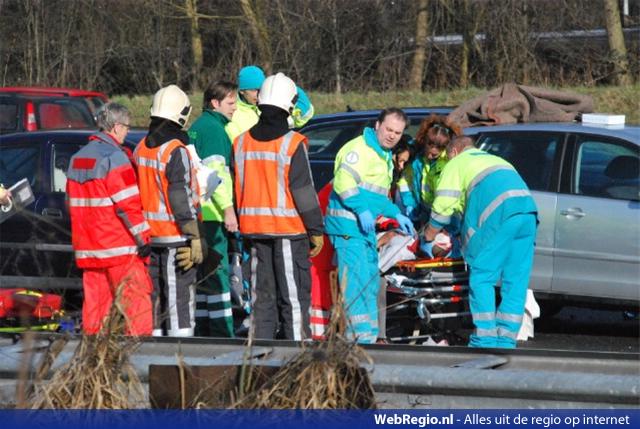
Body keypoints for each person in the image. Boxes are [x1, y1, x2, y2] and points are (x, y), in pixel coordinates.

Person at [424, 135, 538, 349]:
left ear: (454, 152)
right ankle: (505, 339)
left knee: (482, 277)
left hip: (502, 214)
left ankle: (484, 339)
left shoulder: (457, 163)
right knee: (515, 280)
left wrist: (429, 234)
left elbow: (443, 206)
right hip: (528, 214)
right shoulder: (497, 160)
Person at [234, 72, 324, 340]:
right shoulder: (291, 143)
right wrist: (315, 229)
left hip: (253, 233)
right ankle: (297, 362)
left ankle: (258, 363)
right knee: (294, 300)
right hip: (288, 232)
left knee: (262, 301)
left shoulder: (240, 142)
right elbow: (304, 192)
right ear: (289, 105)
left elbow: (235, 188)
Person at [324, 108, 414, 344]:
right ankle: (360, 340)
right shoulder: (360, 149)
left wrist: (395, 213)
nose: (392, 135)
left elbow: (376, 196)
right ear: (377, 125)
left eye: (398, 132)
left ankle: (368, 336)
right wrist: (362, 210)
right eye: (389, 129)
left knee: (369, 282)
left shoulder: (382, 155)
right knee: (356, 283)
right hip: (347, 226)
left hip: (362, 230)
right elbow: (344, 182)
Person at [66, 103, 153, 335]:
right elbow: (129, 206)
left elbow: (72, 204)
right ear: (115, 127)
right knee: (136, 304)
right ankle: (143, 358)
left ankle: (93, 361)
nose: (127, 132)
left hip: (88, 248)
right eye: (126, 127)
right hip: (119, 248)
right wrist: (144, 239)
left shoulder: (77, 159)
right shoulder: (115, 158)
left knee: (95, 309)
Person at [134, 85, 204, 337]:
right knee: (178, 299)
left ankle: (152, 352)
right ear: (182, 115)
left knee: (154, 297)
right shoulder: (176, 150)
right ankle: (179, 357)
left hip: (148, 238)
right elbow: (180, 199)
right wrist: (195, 236)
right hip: (176, 237)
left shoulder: (140, 147)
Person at [188, 81, 238, 337]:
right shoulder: (215, 131)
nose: (235, 108)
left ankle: (204, 332)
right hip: (213, 215)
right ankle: (222, 335)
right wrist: (228, 210)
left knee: (204, 278)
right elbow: (217, 174)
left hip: (199, 213)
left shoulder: (197, 127)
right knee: (218, 276)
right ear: (215, 103)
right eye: (231, 103)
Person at [397, 116, 461, 224]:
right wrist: (409, 203)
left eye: (435, 155)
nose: (430, 156)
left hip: (445, 214)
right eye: (428, 152)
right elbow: (405, 181)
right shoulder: (417, 160)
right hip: (423, 210)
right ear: (425, 143)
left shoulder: (450, 162)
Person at [226, 65, 315, 142]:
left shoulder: (271, 106)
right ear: (242, 91)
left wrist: (286, 84)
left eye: (261, 89)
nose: (258, 94)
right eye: (254, 90)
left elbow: (305, 115)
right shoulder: (232, 113)